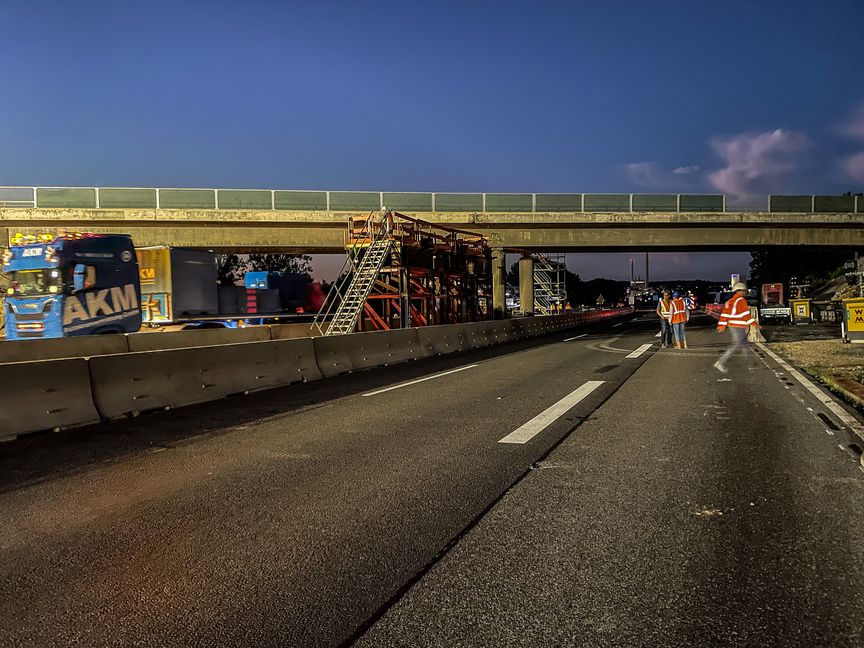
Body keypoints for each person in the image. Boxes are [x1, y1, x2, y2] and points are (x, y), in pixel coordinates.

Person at [714, 282, 755, 373]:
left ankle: (750, 364)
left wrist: (722, 325)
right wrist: (755, 324)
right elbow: (745, 315)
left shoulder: (730, 301)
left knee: (744, 344)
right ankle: (720, 362)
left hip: (733, 325)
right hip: (738, 326)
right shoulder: (741, 300)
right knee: (736, 345)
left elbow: (724, 314)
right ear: (739, 291)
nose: (745, 292)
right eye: (744, 291)